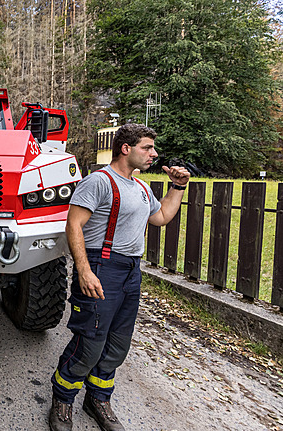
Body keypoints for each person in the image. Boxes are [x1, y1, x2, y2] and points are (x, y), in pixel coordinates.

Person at [49, 123, 190, 431]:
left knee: (118, 344)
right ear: (126, 149)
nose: (153, 153)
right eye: (147, 147)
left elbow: (161, 217)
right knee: (90, 343)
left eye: (153, 148)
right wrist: (84, 270)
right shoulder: (98, 182)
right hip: (101, 267)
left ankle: (98, 398)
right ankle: (62, 399)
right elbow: (73, 226)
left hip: (130, 272)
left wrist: (177, 187)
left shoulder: (140, 187)